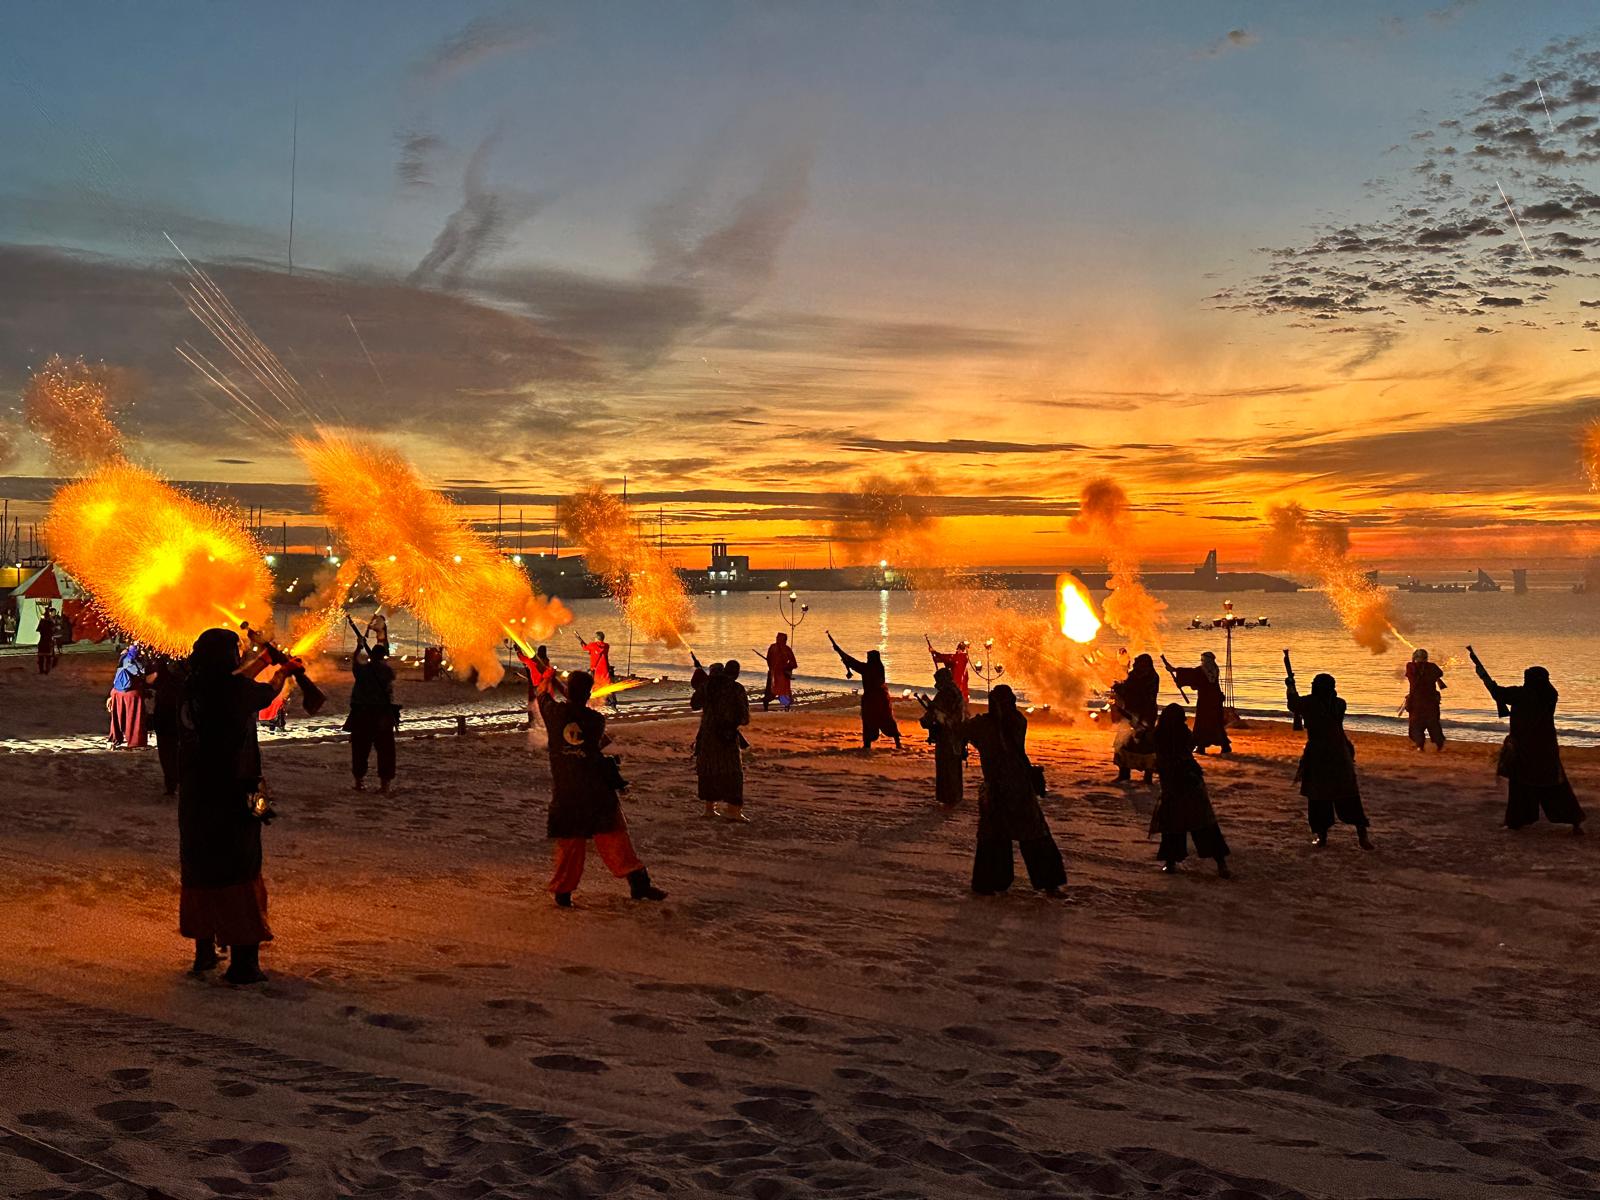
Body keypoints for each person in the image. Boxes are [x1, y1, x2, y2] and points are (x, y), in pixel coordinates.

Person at [178, 627, 289, 983]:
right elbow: (262, 692)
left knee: (200, 870)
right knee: (241, 870)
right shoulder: (234, 690)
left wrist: (266, 659)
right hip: (237, 791)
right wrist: (283, 672)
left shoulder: (192, 685)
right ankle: (244, 962)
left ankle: (204, 951)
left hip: (196, 795)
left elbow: (236, 681)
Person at [538, 670, 666, 906]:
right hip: (595, 787)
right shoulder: (596, 720)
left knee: (570, 845)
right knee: (616, 839)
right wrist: (558, 683)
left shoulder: (554, 714)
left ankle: (563, 894)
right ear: (588, 694)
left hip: (567, 788)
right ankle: (640, 885)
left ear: (568, 691)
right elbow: (575, 707)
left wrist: (547, 677)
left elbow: (542, 695)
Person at [964, 685, 1066, 896]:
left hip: (1007, 789)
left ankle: (991, 883)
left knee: (1002, 837)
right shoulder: (1017, 720)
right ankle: (1048, 884)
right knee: (1029, 836)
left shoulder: (989, 725)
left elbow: (965, 731)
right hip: (1015, 787)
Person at [1470, 651, 1585, 833]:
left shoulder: (1522, 694)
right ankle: (1575, 821)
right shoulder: (1550, 694)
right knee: (1556, 786)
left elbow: (1497, 693)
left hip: (1524, 748)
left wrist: (1483, 676)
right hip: (1547, 748)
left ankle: (1516, 822)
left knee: (1520, 786)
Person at [1285, 667, 1373, 849]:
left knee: (1318, 798)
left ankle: (1322, 836)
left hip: (1318, 754)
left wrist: (1290, 686)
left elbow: (1293, 704)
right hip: (1341, 752)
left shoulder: (1310, 703)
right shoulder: (1340, 703)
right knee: (1349, 795)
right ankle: (1362, 836)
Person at [1150, 704, 1231, 876]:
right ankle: (1219, 864)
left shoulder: (1165, 735)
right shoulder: (1172, 735)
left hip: (1183, 782)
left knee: (1182, 825)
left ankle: (1172, 863)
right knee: (1197, 825)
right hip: (1184, 782)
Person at [696, 658, 751, 820]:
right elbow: (744, 718)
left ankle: (709, 809)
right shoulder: (736, 688)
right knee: (733, 773)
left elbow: (694, 703)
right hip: (726, 736)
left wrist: (704, 683)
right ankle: (733, 810)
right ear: (736, 673)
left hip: (706, 735)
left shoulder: (707, 686)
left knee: (708, 771)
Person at [828, 632, 902, 750]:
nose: (867, 660)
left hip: (872, 700)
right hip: (882, 699)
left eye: (868, 658)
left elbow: (853, 662)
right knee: (886, 719)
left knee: (870, 721)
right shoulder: (878, 667)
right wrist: (840, 653)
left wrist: (839, 651)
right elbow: (853, 662)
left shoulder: (868, 668)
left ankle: (867, 745)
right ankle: (897, 742)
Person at [347, 641, 399, 793]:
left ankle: (359, 782)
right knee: (385, 750)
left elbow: (355, 662)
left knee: (360, 750)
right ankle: (385, 785)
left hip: (363, 715)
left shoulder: (363, 671)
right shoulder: (387, 671)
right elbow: (389, 677)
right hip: (382, 715)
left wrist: (358, 648)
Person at [1163, 651, 1231, 755]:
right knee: (1216, 723)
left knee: (1202, 723)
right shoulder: (1215, 669)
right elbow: (1194, 676)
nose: (1202, 662)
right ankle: (1222, 746)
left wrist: (1174, 670)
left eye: (1203, 660)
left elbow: (1192, 674)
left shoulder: (1202, 670)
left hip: (1205, 701)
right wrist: (1175, 671)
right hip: (1215, 700)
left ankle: (1201, 746)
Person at [920, 666, 967, 805]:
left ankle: (948, 797)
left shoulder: (945, 693)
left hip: (946, 735)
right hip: (957, 734)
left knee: (946, 765)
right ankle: (955, 795)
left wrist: (925, 721)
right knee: (954, 765)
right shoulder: (956, 691)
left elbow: (934, 712)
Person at [1111, 653, 1160, 782]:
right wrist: (1118, 686)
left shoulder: (1152, 677)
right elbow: (1126, 690)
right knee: (1123, 742)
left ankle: (1148, 776)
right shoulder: (1132, 675)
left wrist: (1123, 689)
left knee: (1146, 745)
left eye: (1138, 663)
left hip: (1146, 714)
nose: (1135, 665)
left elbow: (1139, 693)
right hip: (1130, 712)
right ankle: (1124, 773)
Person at [148, 652, 187, 796]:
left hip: (168, 719)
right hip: (176, 719)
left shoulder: (164, 678)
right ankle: (177, 782)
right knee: (177, 752)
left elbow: (151, 681)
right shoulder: (185, 676)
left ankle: (172, 783)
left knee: (168, 753)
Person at [107, 643, 149, 749]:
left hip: (116, 692)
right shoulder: (133, 660)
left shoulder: (123, 658)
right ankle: (136, 742)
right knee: (134, 717)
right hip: (131, 693)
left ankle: (114, 739)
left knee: (117, 717)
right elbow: (142, 672)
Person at [1404, 648, 1447, 752]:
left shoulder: (1411, 666)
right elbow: (1440, 673)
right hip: (1430, 700)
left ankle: (1420, 745)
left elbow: (1410, 674)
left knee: (1416, 725)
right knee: (1433, 724)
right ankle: (1438, 745)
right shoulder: (1432, 667)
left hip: (1417, 701)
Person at [514, 642, 560, 727]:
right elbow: (551, 675)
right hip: (546, 688)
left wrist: (518, 650)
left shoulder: (532, 662)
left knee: (532, 704)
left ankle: (532, 721)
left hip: (535, 687)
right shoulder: (547, 664)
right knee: (544, 705)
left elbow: (522, 658)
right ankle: (545, 721)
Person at [927, 637, 971, 708]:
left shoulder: (959, 657)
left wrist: (935, 652)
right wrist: (936, 657)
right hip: (961, 684)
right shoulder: (962, 658)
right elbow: (948, 661)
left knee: (956, 697)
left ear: (959, 649)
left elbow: (947, 658)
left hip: (957, 683)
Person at [579, 631, 618, 710]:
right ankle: (613, 703)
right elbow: (596, 650)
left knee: (594, 686)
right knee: (608, 685)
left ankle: (591, 703)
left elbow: (585, 647)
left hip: (596, 670)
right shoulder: (606, 646)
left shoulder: (592, 645)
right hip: (605, 669)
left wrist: (580, 640)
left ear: (596, 638)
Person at [761, 632, 798, 711]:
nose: (777, 639)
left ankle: (786, 708)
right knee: (771, 693)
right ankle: (766, 707)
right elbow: (769, 660)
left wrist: (787, 667)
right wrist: (772, 669)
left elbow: (794, 664)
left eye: (779, 638)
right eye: (777, 638)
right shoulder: (773, 647)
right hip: (774, 675)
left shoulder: (787, 649)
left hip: (781, 675)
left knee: (782, 693)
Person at [35, 604, 57, 675]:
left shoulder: (45, 622)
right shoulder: (50, 622)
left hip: (44, 641)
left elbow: (39, 629)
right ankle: (44, 670)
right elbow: (52, 630)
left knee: (43, 657)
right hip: (46, 641)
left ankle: (43, 670)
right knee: (46, 657)